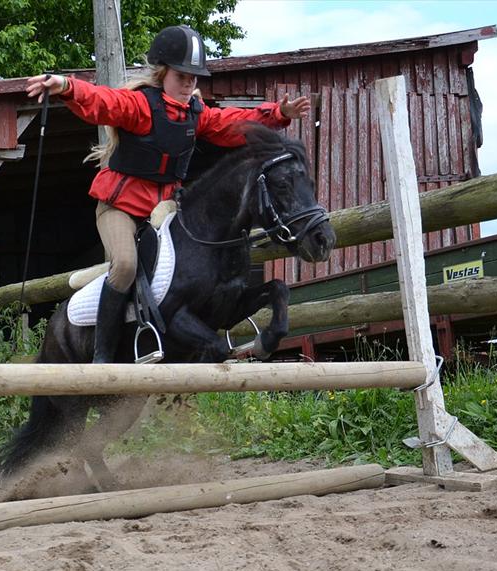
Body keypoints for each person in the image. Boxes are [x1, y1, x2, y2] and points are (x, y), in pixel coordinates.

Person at [26, 24, 311, 363]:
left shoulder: (196, 113)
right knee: (127, 265)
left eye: (194, 78)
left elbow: (232, 123)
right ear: (163, 73)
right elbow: (104, 102)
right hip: (120, 208)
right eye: (182, 76)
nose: (189, 84)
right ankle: (102, 355)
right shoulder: (140, 106)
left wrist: (278, 114)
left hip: (163, 208)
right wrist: (67, 86)